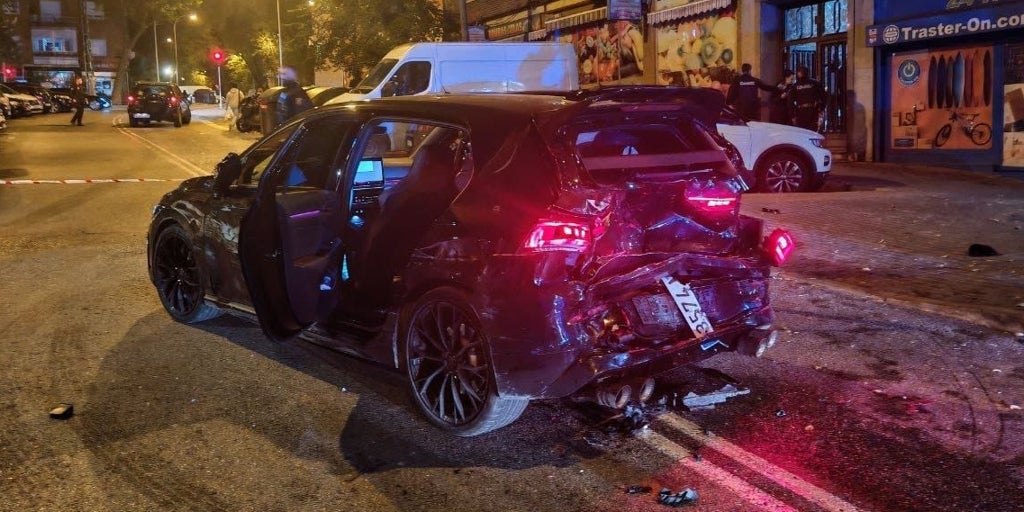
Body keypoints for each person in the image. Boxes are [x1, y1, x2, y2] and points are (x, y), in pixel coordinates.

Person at [790, 65, 827, 132]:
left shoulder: (795, 86)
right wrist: (821, 108)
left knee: (802, 132)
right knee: (812, 132)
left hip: (801, 112)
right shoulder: (815, 83)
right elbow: (824, 97)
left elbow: (790, 102)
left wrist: (793, 115)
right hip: (811, 111)